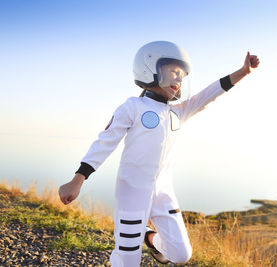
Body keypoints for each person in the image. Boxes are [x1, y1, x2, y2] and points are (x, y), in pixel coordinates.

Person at [58, 40, 260, 266]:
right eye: (173, 71)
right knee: (127, 260)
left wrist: (243, 72)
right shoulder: (132, 107)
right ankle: (136, 238)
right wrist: (78, 180)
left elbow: (210, 93)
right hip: (132, 194)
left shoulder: (178, 112)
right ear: (150, 69)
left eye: (182, 74)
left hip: (164, 194)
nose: (178, 78)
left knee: (182, 255)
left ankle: (150, 238)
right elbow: (105, 142)